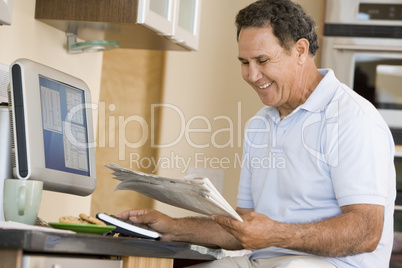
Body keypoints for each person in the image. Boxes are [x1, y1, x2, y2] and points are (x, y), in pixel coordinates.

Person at [118, 0, 396, 267]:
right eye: (244, 62)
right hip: (261, 261)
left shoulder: (352, 119)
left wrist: (275, 235)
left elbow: (367, 230)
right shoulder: (260, 125)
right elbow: (245, 228)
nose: (252, 75)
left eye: (262, 60)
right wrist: (173, 226)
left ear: (300, 51)